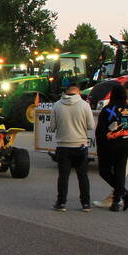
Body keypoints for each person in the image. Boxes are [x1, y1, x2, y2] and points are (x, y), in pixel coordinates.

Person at [50, 84, 96, 212]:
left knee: (63, 176)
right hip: (80, 145)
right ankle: (86, 204)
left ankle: (61, 203)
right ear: (78, 92)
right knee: (83, 176)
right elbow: (91, 125)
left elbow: (52, 127)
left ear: (66, 92)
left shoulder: (57, 105)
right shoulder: (84, 105)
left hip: (63, 146)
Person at [95, 83, 128, 212]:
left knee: (104, 171)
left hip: (108, 146)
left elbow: (100, 131)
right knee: (120, 172)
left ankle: (123, 193)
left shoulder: (107, 110)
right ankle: (117, 200)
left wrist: (100, 146)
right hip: (124, 146)